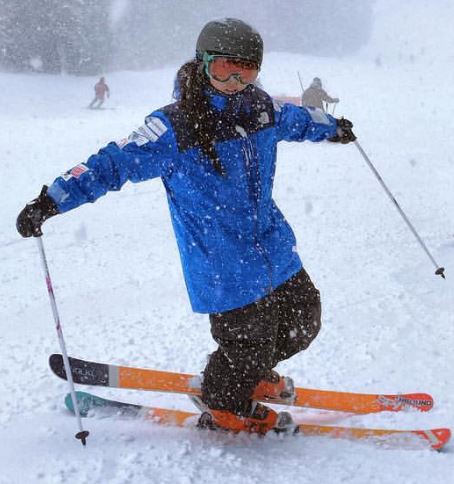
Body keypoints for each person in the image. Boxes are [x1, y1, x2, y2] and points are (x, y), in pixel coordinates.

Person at [16, 18, 356, 435]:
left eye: (246, 70)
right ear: (203, 64)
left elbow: (295, 119)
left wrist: (330, 127)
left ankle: (245, 374)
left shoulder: (261, 107)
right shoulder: (174, 126)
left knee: (304, 319)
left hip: (272, 244)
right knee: (248, 340)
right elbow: (112, 163)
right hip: (221, 260)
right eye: (224, 70)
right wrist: (54, 199)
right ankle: (224, 403)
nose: (235, 81)